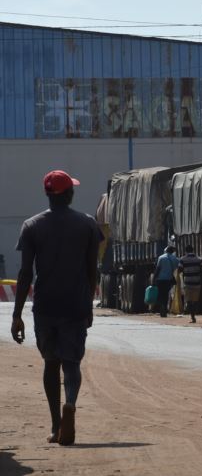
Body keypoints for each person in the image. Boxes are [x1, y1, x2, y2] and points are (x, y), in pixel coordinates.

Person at [10, 170, 102, 446]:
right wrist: (88, 305)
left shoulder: (31, 226)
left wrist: (17, 316)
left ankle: (55, 426)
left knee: (51, 363)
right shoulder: (87, 224)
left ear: (47, 194)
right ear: (70, 194)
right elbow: (91, 270)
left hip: (45, 306)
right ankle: (70, 403)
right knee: (71, 363)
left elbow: (25, 274)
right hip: (75, 304)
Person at [177, 245, 202, 323]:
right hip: (197, 282)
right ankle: (194, 313)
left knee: (188, 300)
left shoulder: (182, 259)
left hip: (187, 283)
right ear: (193, 250)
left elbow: (179, 270)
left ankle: (192, 316)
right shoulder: (199, 259)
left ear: (185, 251)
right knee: (195, 300)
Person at [152, 245, 179, 318]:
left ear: (166, 250)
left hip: (160, 280)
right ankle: (165, 309)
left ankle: (162, 309)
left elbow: (157, 269)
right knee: (166, 294)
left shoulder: (161, 257)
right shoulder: (175, 259)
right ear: (172, 252)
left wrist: (154, 279)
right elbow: (178, 268)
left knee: (160, 294)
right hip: (169, 279)